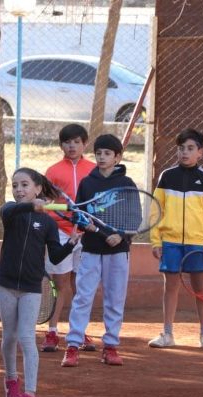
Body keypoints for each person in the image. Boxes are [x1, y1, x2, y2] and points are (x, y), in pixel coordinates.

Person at [0, 168, 80, 397]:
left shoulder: (48, 223)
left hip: (32, 287)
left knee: (26, 337)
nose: (19, 190)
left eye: (25, 185)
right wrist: (33, 206)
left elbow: (54, 255)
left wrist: (71, 244)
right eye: (15, 185)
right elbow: (13, 209)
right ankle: (11, 380)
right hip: (6, 284)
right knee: (8, 337)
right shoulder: (10, 211)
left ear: (38, 188)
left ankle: (30, 395)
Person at [60, 134, 137, 368]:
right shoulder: (88, 183)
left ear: (117, 157)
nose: (102, 158)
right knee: (83, 297)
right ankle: (73, 346)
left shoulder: (127, 184)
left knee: (115, 299)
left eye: (107, 154)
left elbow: (135, 216)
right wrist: (87, 226)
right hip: (91, 250)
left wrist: (120, 235)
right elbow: (79, 214)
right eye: (99, 153)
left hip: (118, 252)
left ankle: (110, 346)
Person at [147, 128, 203, 350]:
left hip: (197, 244)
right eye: (181, 148)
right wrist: (156, 240)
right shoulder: (166, 176)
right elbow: (156, 210)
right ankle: (167, 333)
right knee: (170, 287)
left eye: (190, 148)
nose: (184, 153)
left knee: (201, 288)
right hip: (170, 242)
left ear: (200, 152)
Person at [41, 124, 97, 353]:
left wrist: (88, 224)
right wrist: (59, 219)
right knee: (60, 283)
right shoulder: (53, 171)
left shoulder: (93, 170)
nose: (71, 146)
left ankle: (78, 332)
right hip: (61, 234)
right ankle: (52, 332)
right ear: (61, 145)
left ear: (85, 144)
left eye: (76, 142)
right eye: (67, 142)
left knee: (80, 285)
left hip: (86, 234)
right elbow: (45, 202)